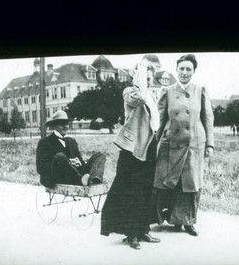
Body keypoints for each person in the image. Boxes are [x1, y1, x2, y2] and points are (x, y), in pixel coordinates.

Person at [100, 59, 161, 250]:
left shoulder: (150, 95)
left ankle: (142, 229)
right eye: (145, 78)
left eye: (150, 79)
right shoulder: (130, 92)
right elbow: (140, 98)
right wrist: (139, 77)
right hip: (132, 149)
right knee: (131, 191)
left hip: (149, 147)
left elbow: (154, 121)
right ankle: (131, 233)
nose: (148, 82)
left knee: (145, 189)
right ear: (137, 78)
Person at [152, 54, 214, 236]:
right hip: (170, 143)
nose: (185, 72)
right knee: (168, 181)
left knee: (191, 183)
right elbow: (159, 119)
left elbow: (208, 118)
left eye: (189, 69)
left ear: (193, 71)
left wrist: (210, 144)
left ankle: (188, 222)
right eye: (182, 68)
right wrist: (153, 143)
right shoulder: (167, 91)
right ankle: (172, 219)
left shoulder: (200, 90)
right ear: (176, 70)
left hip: (194, 143)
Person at [36, 110, 106, 188]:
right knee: (59, 157)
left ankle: (94, 180)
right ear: (54, 126)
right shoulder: (45, 142)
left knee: (99, 155)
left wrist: (79, 163)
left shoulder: (72, 141)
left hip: (75, 175)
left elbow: (80, 163)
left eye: (66, 123)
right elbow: (40, 168)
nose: (65, 126)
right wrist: (66, 163)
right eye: (61, 124)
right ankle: (81, 181)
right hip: (58, 177)